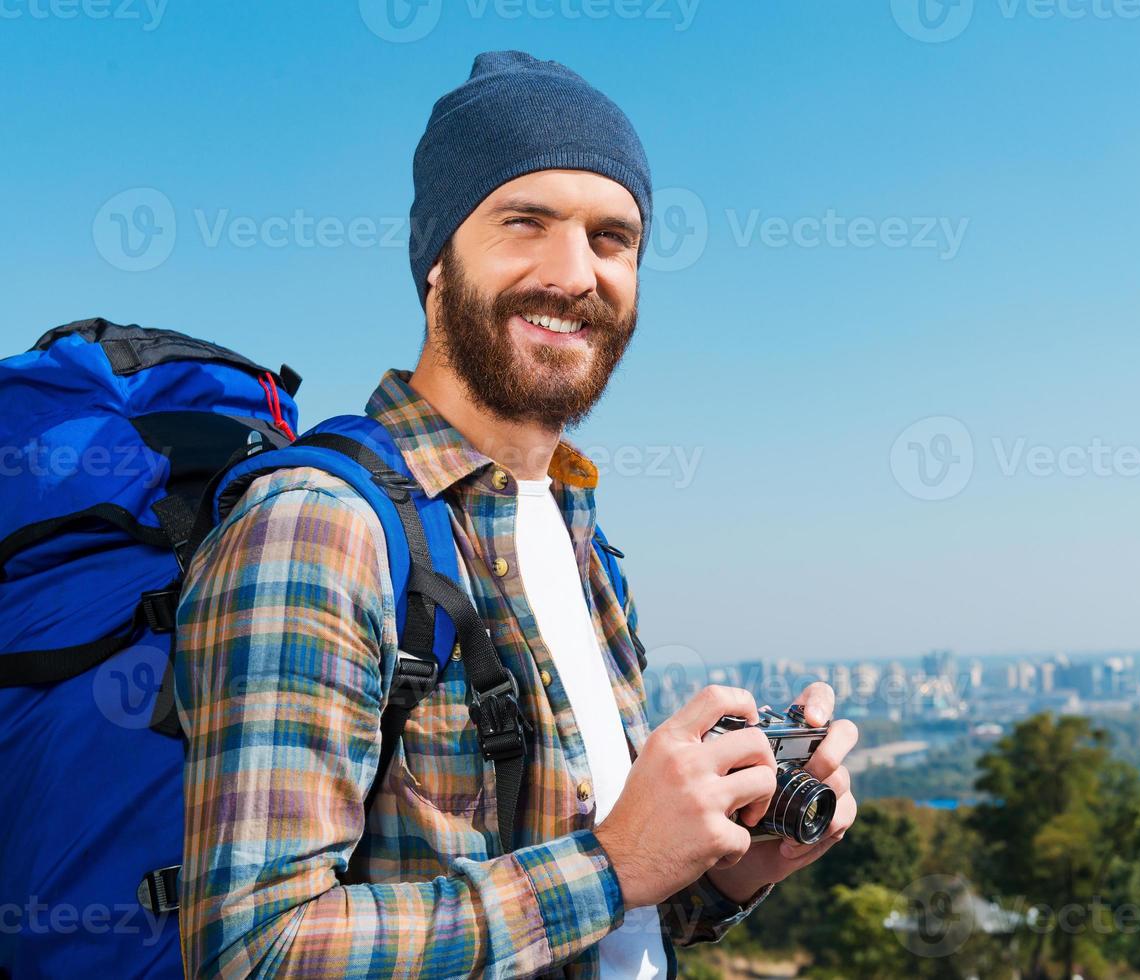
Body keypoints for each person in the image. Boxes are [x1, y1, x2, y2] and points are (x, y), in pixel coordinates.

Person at [173, 50, 859, 978]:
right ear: (435, 265)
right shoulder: (320, 530)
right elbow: (254, 950)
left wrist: (739, 863)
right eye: (523, 222)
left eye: (612, 238)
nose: (574, 273)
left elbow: (601, 920)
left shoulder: (582, 539)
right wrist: (614, 864)